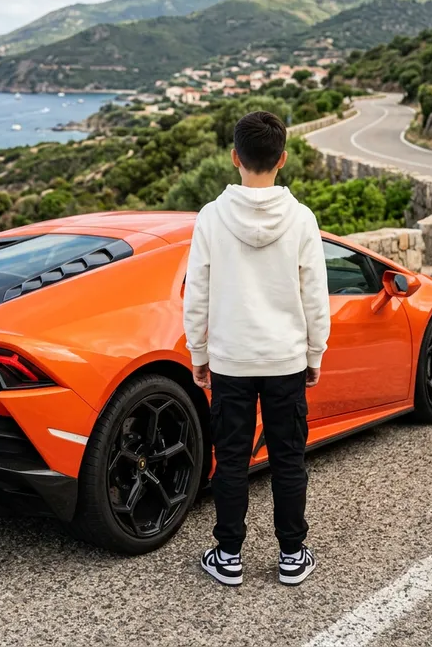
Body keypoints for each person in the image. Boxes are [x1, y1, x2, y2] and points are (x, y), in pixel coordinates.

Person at [183, 110, 330, 587]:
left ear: (234, 158)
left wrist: (198, 355)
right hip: (285, 358)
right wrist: (314, 355)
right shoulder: (302, 219)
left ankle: (228, 556)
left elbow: (197, 294)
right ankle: (292, 555)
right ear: (282, 159)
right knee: (288, 459)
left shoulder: (210, 217)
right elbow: (315, 296)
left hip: (230, 359)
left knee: (231, 460)